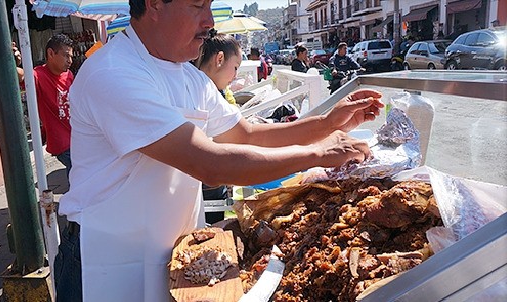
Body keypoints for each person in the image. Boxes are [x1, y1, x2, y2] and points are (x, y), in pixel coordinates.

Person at [55, 1, 384, 301]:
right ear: (154, 4)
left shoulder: (189, 77)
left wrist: (327, 124)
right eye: (198, 6)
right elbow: (209, 163)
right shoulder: (114, 72)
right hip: (103, 258)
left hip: (170, 252)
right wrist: (317, 154)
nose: (209, 21)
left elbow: (245, 135)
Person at [193, 31, 243, 223]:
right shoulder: (201, 90)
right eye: (235, 67)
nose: (235, 76)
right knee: (211, 230)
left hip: (212, 185)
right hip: (207, 188)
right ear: (220, 59)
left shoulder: (211, 91)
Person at [33, 34, 74, 178]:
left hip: (76, 136)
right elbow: (22, 76)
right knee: (79, 172)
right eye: (66, 56)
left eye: (71, 57)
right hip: (61, 141)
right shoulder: (38, 75)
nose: (70, 61)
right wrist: (15, 62)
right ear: (51, 53)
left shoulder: (68, 74)